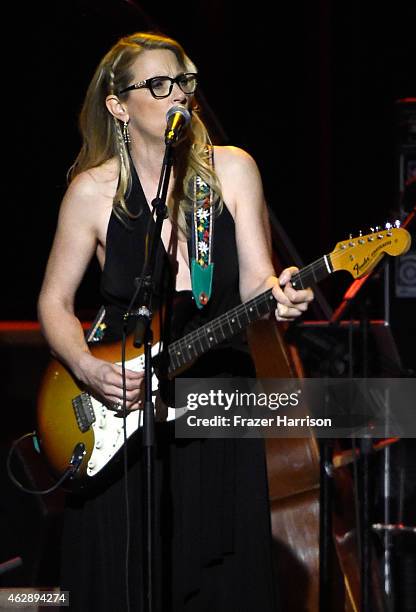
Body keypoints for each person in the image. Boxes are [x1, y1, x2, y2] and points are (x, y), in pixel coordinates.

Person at [37, 31, 314, 612]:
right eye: (158, 85)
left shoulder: (231, 169)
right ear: (118, 105)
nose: (177, 96)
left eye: (183, 82)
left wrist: (279, 297)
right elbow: (54, 305)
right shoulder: (91, 192)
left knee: (219, 582)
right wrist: (88, 368)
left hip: (216, 405)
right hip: (123, 409)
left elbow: (258, 281)